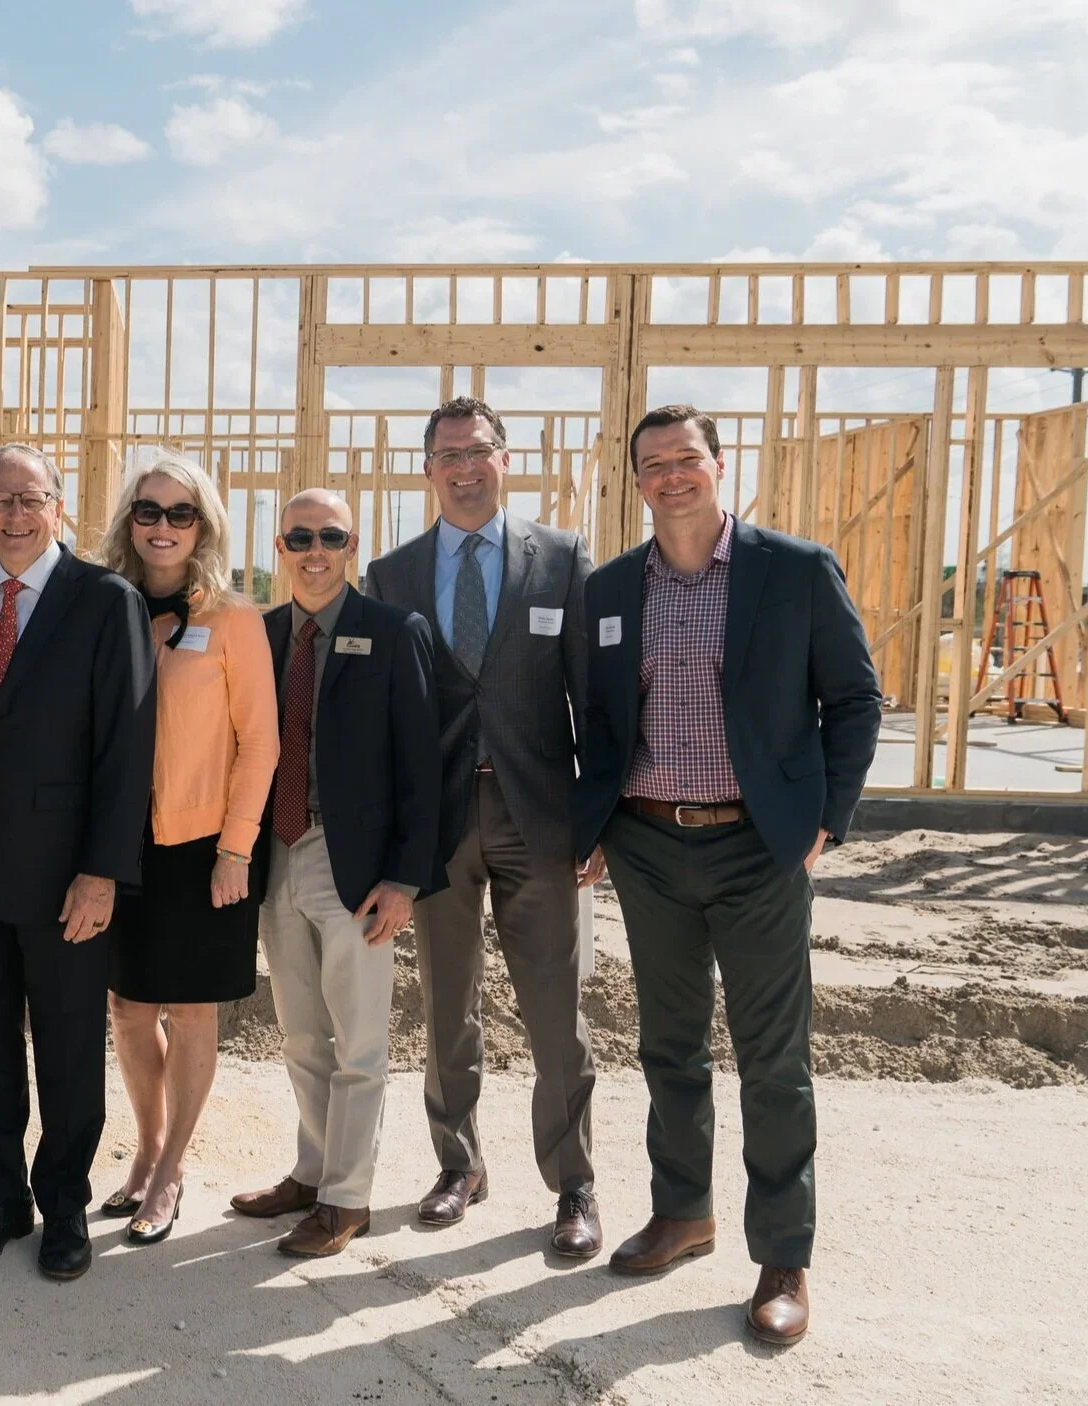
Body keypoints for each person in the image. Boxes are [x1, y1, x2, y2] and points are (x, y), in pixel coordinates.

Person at [572, 405, 880, 1347]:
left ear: (719, 464)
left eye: (687, 458)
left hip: (758, 846)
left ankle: (783, 1254)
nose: (672, 476)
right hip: (648, 845)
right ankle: (683, 1212)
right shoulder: (612, 588)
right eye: (653, 464)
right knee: (668, 1045)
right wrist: (595, 824)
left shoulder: (794, 571)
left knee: (773, 1059)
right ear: (635, 480)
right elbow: (597, 715)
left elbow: (855, 698)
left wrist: (826, 817)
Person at [362, 398, 602, 1257]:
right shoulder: (392, 575)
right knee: (446, 1003)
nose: (465, 469)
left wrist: (596, 818)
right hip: (436, 823)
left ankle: (573, 1184)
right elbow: (385, 718)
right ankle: (458, 1165)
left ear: (507, 459)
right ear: (427, 469)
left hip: (539, 816)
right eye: (448, 456)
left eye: (479, 451)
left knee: (555, 1010)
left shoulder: (561, 559)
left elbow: (591, 698)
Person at [0, 443, 156, 1282]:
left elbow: (125, 746)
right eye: (0, 501)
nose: (16, 515)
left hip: (67, 879)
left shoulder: (104, 601)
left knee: (67, 1049)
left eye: (31, 500)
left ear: (58, 509)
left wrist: (103, 871)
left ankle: (63, 1205)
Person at [229, 489, 442, 1257]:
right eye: (299, 538)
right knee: (299, 1035)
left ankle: (347, 1199)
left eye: (330, 536)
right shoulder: (260, 635)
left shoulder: (393, 631)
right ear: (279, 549)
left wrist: (404, 879)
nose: (314, 551)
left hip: (356, 865)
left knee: (358, 1043)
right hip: (277, 854)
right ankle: (314, 1172)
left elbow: (424, 766)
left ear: (353, 546)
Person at [92, 452, 276, 1245]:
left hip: (204, 847)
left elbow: (260, 743)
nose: (162, 526)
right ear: (128, 522)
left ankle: (171, 1172)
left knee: (193, 1011)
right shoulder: (104, 608)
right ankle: (148, 1146)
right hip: (118, 845)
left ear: (204, 525)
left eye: (180, 513)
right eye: (148, 511)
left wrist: (236, 849)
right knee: (129, 1009)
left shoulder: (233, 620)